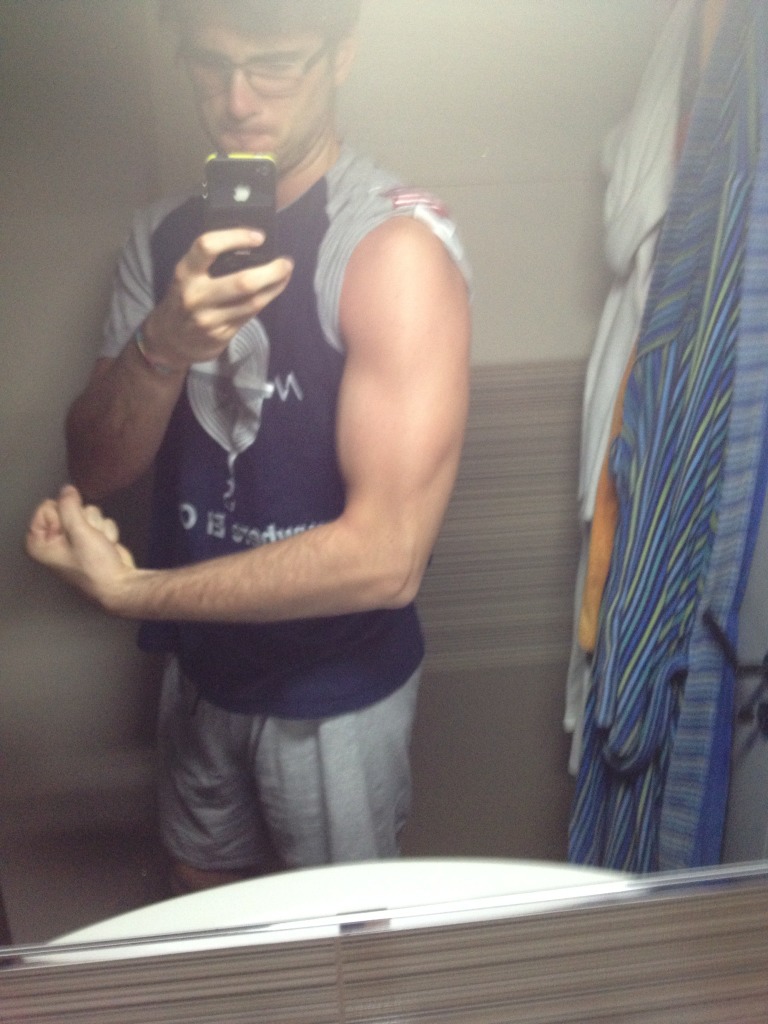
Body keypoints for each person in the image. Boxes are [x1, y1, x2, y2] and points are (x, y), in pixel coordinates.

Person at [25, 0, 471, 895]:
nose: (236, 101)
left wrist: (134, 591)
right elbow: (99, 466)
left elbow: (386, 560)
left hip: (334, 694)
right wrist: (162, 346)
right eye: (210, 64)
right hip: (201, 672)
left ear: (340, 58)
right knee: (201, 903)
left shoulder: (392, 248)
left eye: (274, 64)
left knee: (341, 940)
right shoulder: (161, 237)